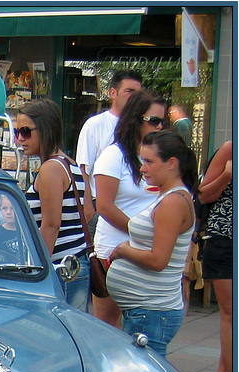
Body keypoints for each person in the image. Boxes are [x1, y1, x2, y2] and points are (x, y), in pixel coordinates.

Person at [105, 130, 197, 356]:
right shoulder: (168, 197)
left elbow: (158, 260)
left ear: (171, 163)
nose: (142, 168)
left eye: (149, 161)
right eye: (141, 161)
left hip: (152, 311)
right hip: (147, 310)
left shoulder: (172, 202)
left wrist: (124, 250)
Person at [91, 89, 166, 327]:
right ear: (136, 120)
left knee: (141, 324)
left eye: (163, 121)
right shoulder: (114, 156)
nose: (159, 127)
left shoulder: (156, 157)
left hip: (146, 251)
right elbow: (104, 205)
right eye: (153, 121)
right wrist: (139, 231)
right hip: (114, 250)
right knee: (107, 326)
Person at [15, 99, 90, 311]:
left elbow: (51, 225)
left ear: (45, 129)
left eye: (26, 131)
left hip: (60, 268)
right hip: (73, 262)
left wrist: (40, 273)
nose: (20, 138)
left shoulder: (51, 169)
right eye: (17, 131)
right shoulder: (69, 163)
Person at [75, 69, 143, 226]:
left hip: (134, 208)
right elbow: (83, 169)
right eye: (129, 91)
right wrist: (88, 206)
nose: (134, 97)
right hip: (101, 207)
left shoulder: (143, 125)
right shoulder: (95, 125)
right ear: (113, 93)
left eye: (138, 93)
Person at [198, 140, 233, 372]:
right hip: (225, 238)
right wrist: (228, 175)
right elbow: (203, 194)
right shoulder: (231, 148)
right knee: (231, 312)